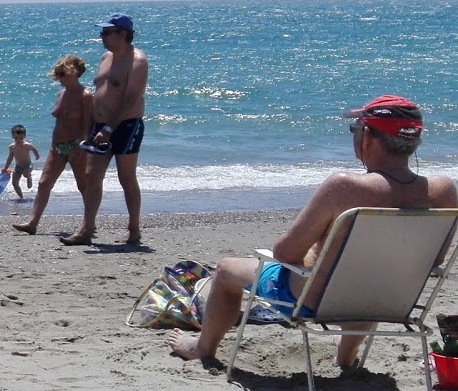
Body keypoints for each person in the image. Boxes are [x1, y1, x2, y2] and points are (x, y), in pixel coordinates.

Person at [168, 95, 457, 366]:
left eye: (355, 129)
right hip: (389, 300)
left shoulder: (344, 187)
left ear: (367, 137)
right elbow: (434, 259)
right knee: (369, 272)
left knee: (226, 269)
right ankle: (345, 359)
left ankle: (201, 349)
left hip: (315, 300)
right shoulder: (443, 191)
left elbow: (285, 252)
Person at [62, 14, 148, 246]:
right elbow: (100, 94)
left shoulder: (137, 60)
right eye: (102, 32)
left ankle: (134, 229)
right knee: (91, 176)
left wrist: (109, 128)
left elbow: (131, 98)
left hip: (125, 125)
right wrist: (90, 128)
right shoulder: (105, 57)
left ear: (122, 33)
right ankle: (86, 229)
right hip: (100, 126)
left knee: (126, 177)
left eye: (106, 32)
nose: (102, 37)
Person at [14, 54, 93, 234]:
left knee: (83, 186)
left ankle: (89, 223)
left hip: (76, 146)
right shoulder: (62, 93)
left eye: (63, 74)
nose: (59, 78)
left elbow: (88, 126)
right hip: (57, 147)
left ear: (75, 73)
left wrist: (80, 147)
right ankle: (32, 223)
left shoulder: (86, 96)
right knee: (44, 183)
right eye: (58, 74)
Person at [1, 125, 41, 200]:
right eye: (16, 138)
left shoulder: (27, 145)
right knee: (14, 183)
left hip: (28, 165)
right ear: (13, 137)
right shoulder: (12, 147)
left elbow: (34, 149)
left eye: (21, 138)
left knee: (25, 174)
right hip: (18, 166)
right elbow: (10, 158)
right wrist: (5, 168)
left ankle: (29, 177)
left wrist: (37, 156)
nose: (18, 140)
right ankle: (21, 197)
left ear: (24, 137)